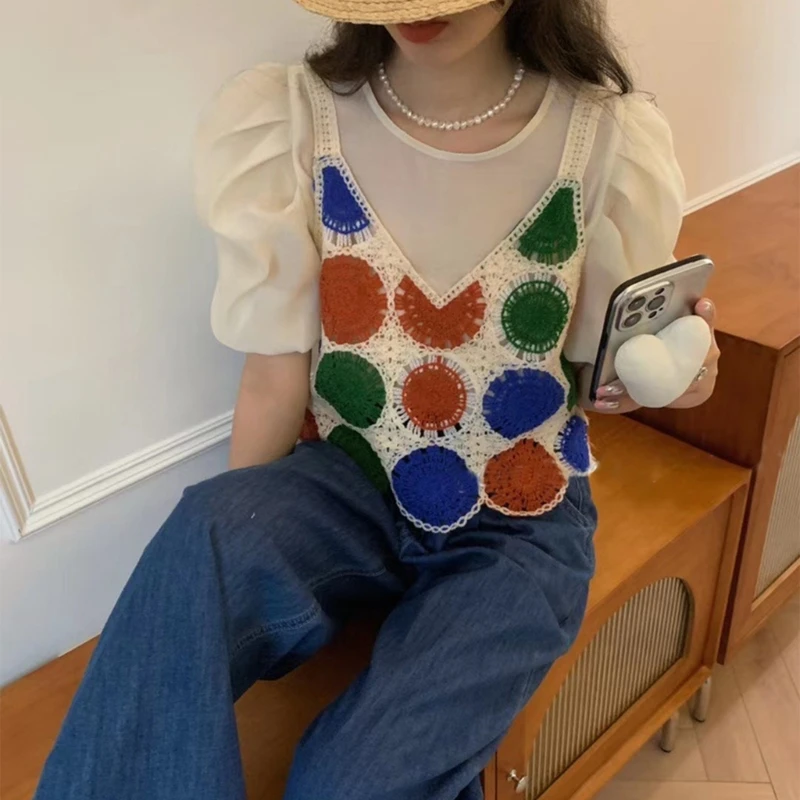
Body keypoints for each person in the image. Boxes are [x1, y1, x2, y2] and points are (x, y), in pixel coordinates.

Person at [34, 1, 720, 798]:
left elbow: (613, 370)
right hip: (348, 485)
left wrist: (683, 374)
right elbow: (274, 374)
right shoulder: (297, 122)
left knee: (353, 781)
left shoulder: (601, 140)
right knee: (207, 530)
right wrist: (253, 533)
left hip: (518, 516)